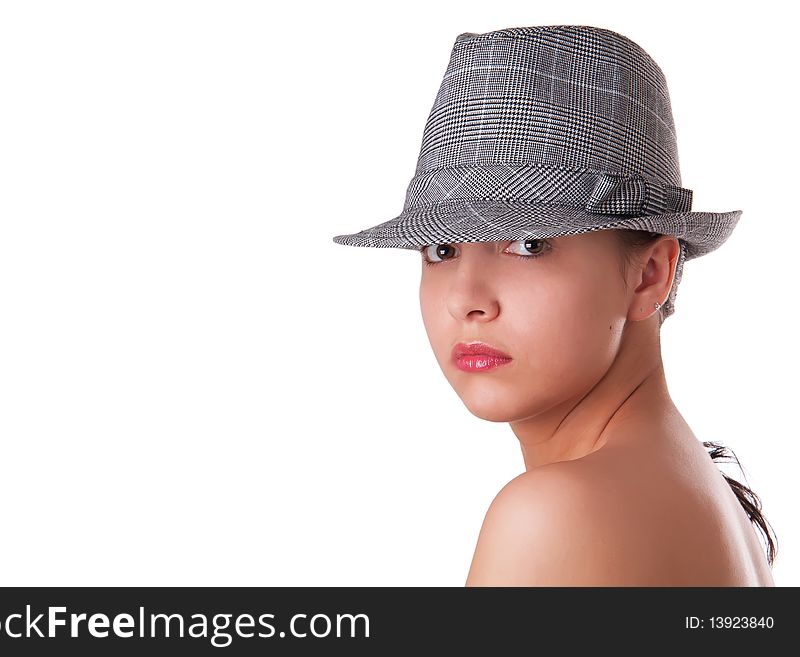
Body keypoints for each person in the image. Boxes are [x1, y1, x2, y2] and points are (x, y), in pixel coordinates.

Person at [332, 25, 777, 586]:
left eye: (528, 243)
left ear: (649, 274)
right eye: (441, 249)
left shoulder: (554, 515)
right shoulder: (712, 500)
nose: (466, 300)